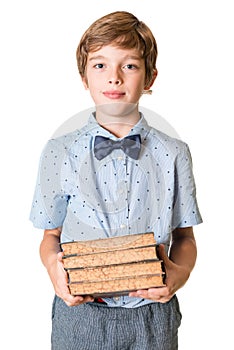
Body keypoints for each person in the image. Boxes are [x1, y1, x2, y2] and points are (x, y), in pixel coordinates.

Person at [30, 11, 202, 350]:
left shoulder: (174, 153)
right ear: (84, 77)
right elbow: (51, 235)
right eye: (100, 66)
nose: (114, 78)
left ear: (150, 77)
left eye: (129, 66)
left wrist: (179, 274)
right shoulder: (59, 151)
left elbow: (185, 237)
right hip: (81, 315)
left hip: (152, 316)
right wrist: (54, 266)